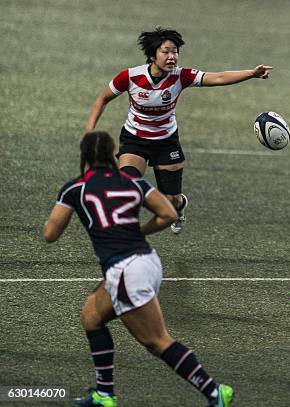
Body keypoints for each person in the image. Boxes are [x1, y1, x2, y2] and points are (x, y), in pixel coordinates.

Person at [43, 132, 233, 406]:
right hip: (148, 261)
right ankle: (104, 394)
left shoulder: (76, 188)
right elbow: (169, 213)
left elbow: (50, 234)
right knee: (91, 316)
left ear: (84, 157)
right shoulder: (132, 182)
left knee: (157, 341)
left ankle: (214, 392)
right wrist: (139, 230)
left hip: (125, 270)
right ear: (114, 156)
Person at [85, 27, 272, 234]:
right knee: (127, 186)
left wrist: (251, 74)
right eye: (165, 52)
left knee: (171, 201)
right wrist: (89, 132)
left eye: (175, 52)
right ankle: (126, 233)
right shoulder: (129, 77)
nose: (172, 56)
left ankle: (180, 205)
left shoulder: (181, 76)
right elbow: (102, 99)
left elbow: (218, 77)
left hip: (166, 141)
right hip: (134, 139)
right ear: (152, 56)